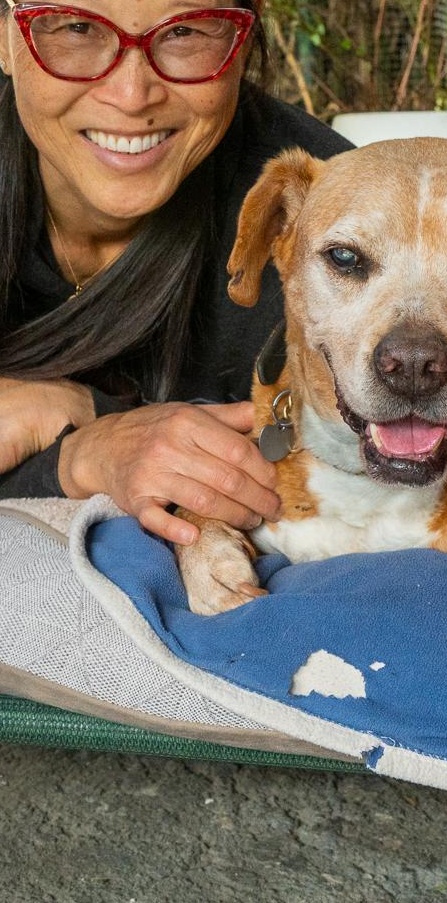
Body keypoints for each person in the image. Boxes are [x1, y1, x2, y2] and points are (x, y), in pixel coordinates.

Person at [0, 0, 352, 542]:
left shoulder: (320, 229)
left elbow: (330, 499)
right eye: (76, 28)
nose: (131, 93)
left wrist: (79, 443)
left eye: (185, 32)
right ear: (5, 37)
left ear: (243, 43)